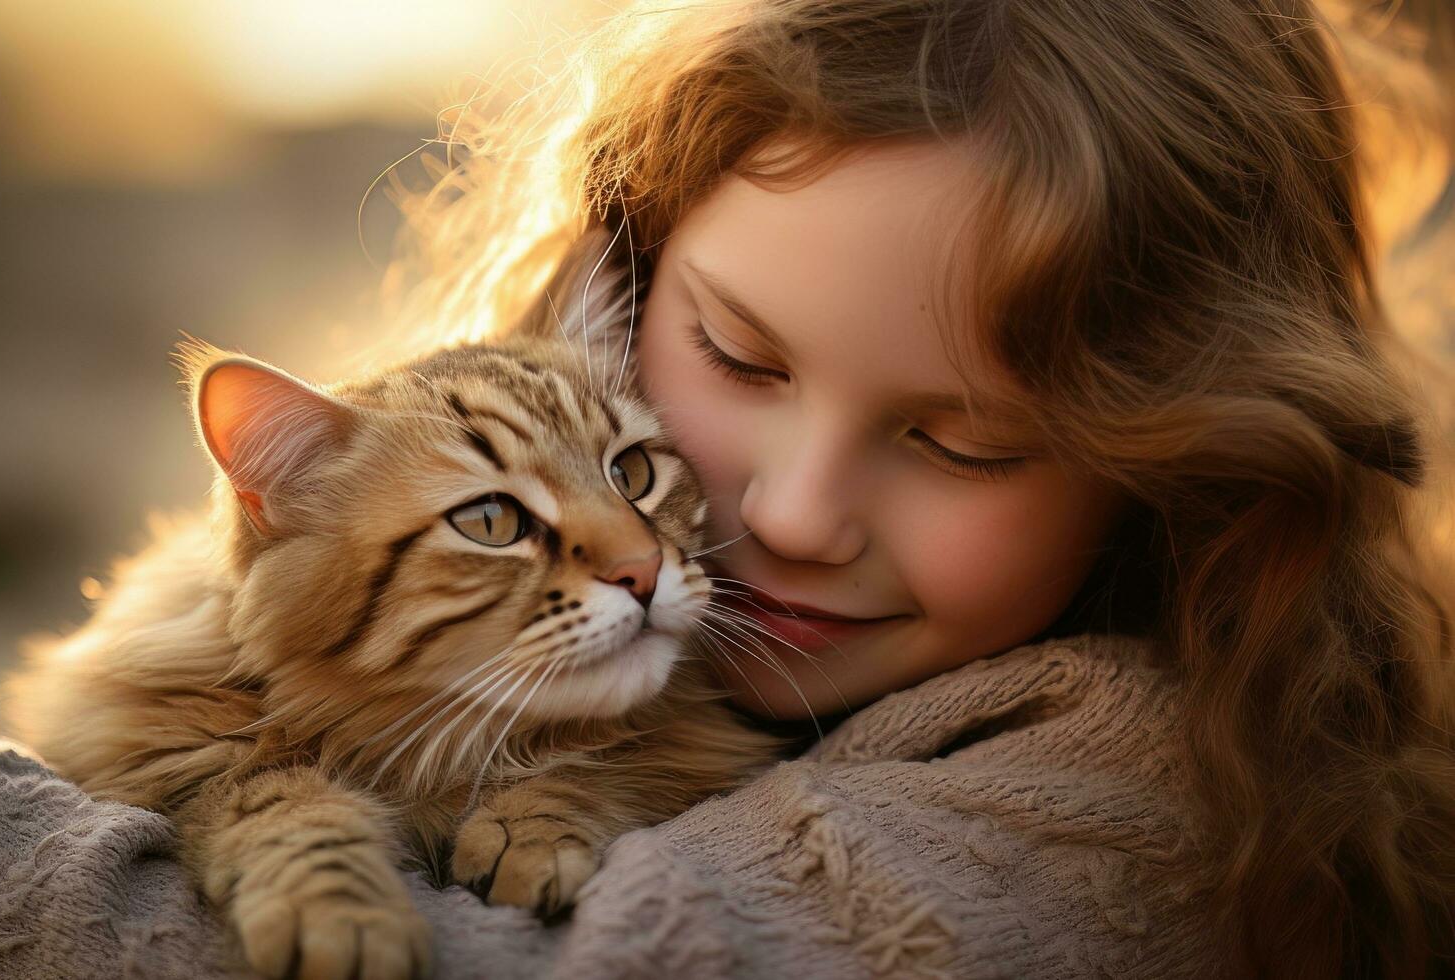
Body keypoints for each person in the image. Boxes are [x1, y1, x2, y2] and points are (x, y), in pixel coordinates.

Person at [384, 0, 1455, 975]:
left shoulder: (1139, 804)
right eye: (738, 358)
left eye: (966, 444)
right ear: (628, 270)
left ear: (1179, 470)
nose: (794, 515)